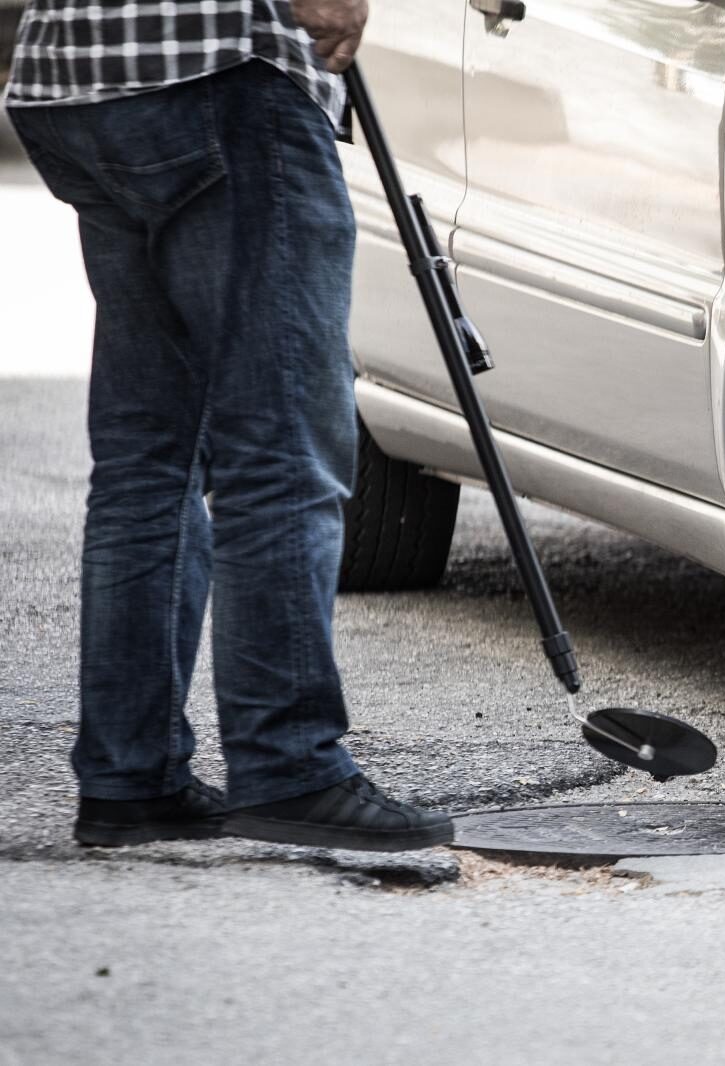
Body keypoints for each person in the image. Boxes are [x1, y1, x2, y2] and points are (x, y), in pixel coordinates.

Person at [4, 0, 453, 851]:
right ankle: (290, 766)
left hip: (76, 74)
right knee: (281, 445)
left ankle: (131, 776)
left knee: (149, 455)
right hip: (218, 68)